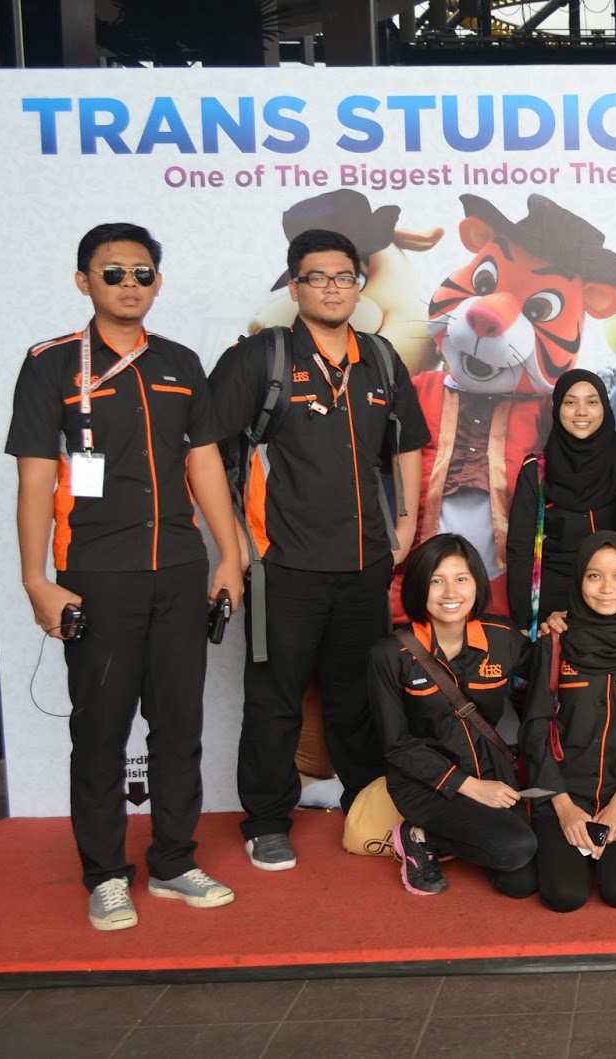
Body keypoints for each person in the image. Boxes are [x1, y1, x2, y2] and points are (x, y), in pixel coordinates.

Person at [6, 222, 245, 931]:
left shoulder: (180, 362)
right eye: (113, 273)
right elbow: (34, 478)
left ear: (158, 282)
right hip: (97, 577)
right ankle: (106, 874)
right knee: (101, 730)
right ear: (84, 281)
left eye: (142, 273)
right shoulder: (51, 365)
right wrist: (36, 581)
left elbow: (204, 462)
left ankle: (173, 861)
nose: (130, 285)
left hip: (179, 570)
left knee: (178, 726)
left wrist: (230, 555)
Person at [209, 228, 430, 871]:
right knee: (274, 699)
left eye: (344, 277)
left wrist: (405, 528)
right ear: (295, 285)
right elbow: (204, 449)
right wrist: (233, 548)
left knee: (356, 698)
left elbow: (407, 444)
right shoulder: (261, 358)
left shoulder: (380, 358)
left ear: (360, 286)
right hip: (282, 565)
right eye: (317, 277)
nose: (332, 288)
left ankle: (367, 806)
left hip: (363, 564)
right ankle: (266, 821)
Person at [367, 533, 538, 898]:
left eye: (461, 579)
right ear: (418, 586)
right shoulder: (390, 654)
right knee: (516, 847)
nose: (450, 593)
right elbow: (397, 745)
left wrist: (560, 629)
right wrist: (472, 788)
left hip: (491, 769)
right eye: (436, 581)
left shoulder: (502, 637)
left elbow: (549, 674)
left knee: (521, 882)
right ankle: (417, 835)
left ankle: (460, 838)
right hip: (424, 784)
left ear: (477, 583)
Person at [519, 532, 616, 911]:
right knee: (564, 896)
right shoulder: (556, 640)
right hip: (561, 790)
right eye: (594, 576)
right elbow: (535, 727)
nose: (607, 588)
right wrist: (564, 806)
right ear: (578, 580)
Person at [505, 370, 616, 638]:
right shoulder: (537, 470)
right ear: (557, 408)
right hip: (555, 601)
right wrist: (524, 621)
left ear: (605, 406)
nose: (581, 411)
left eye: (591, 402)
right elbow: (520, 550)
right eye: (570, 402)